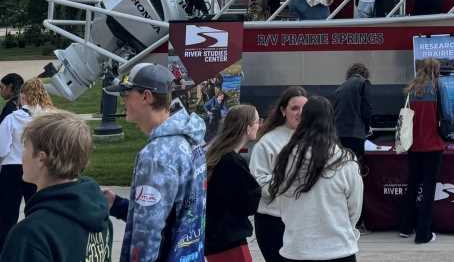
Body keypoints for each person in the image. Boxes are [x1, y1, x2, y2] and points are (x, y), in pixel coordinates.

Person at [103, 63, 207, 262]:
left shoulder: (157, 155)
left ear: (146, 96)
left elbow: (147, 232)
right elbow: (174, 211)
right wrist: (117, 205)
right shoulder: (191, 139)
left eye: (126, 94)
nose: (123, 101)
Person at [0, 110, 112, 262]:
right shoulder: (100, 217)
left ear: (41, 159)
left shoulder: (30, 236)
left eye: (25, 147)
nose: (22, 155)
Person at [269, 96, 363, 262]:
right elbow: (354, 208)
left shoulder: (284, 159)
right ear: (331, 122)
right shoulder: (345, 161)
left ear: (303, 120)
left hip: (296, 249)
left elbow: (281, 201)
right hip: (339, 249)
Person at [250, 85, 308, 262]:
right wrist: (292, 181)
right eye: (294, 108)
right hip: (273, 221)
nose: (300, 113)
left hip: (302, 220)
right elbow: (258, 182)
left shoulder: (312, 138)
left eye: (304, 108)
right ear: (283, 111)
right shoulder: (267, 142)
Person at [0, 78, 53, 249]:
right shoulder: (49, 119)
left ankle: (5, 250)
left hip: (11, 169)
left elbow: (2, 149)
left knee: (7, 215)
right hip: (39, 169)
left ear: (23, 97)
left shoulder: (11, 119)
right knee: (37, 211)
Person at [205, 104, 262, 262]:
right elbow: (249, 203)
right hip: (229, 241)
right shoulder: (232, 161)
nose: (259, 125)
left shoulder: (218, 155)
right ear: (248, 127)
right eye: (258, 121)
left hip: (215, 239)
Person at [399, 58, 446, 244]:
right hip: (433, 145)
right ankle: (423, 234)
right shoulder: (438, 86)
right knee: (428, 189)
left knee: (412, 185)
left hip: (413, 145)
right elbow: (448, 114)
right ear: (435, 70)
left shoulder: (411, 89)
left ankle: (405, 227)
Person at [335, 64, 372, 230]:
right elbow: (366, 108)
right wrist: (367, 126)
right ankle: (358, 219)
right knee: (356, 177)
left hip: (339, 136)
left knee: (342, 175)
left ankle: (343, 216)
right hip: (356, 135)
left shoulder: (340, 87)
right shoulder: (363, 83)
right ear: (364, 73)